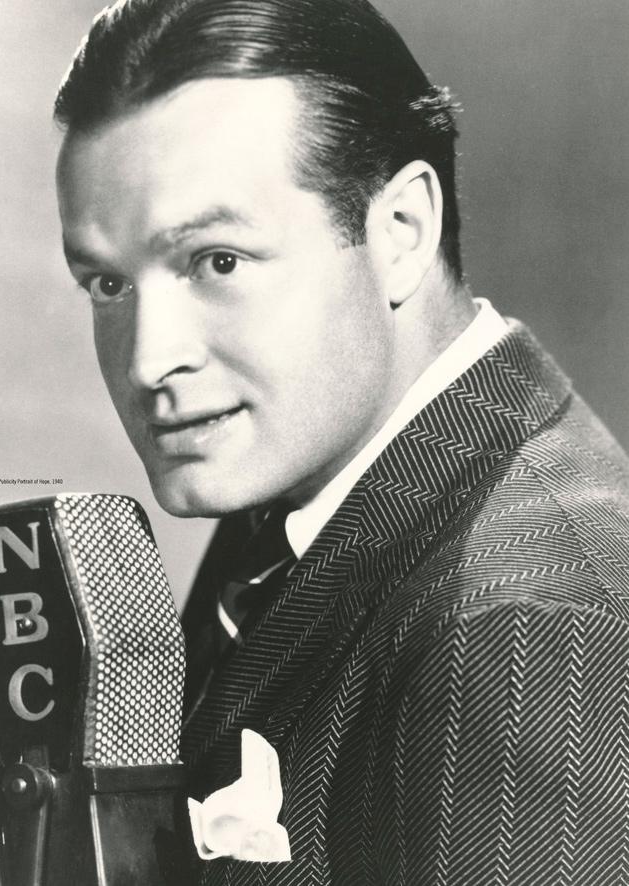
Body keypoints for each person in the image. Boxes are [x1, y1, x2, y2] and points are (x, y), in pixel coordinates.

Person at [54, 0, 629, 882]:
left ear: (400, 231)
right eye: (106, 284)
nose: (149, 360)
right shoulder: (296, 489)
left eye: (218, 261)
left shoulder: (523, 624)